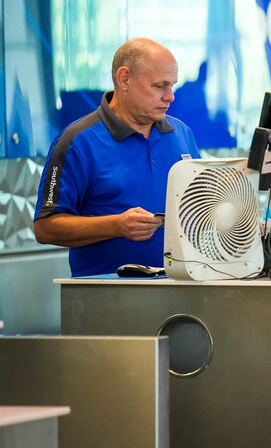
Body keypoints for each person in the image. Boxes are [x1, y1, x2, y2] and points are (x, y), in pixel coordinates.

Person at [33, 37, 200, 277]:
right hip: (107, 297)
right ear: (124, 79)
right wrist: (116, 226)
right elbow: (45, 228)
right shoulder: (77, 141)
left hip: (182, 289)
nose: (170, 96)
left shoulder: (182, 133)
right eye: (159, 86)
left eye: (172, 85)